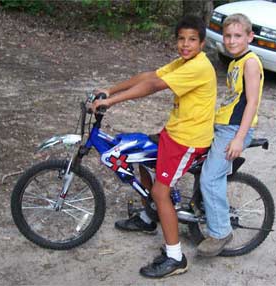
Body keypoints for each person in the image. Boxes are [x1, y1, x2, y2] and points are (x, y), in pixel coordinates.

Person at [91, 15, 217, 278]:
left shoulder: (199, 67)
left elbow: (152, 85)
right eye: (181, 38)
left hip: (189, 141)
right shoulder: (184, 62)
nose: (185, 44)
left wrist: (111, 102)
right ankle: (149, 218)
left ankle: (175, 258)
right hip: (174, 133)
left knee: (161, 192)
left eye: (192, 39)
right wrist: (109, 89)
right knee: (138, 156)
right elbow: (150, 74)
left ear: (202, 43)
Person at [197, 13, 264, 257]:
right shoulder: (236, 61)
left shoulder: (250, 62)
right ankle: (203, 206)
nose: (232, 40)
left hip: (235, 130)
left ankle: (220, 232)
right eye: (228, 36)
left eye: (238, 35)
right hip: (222, 125)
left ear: (250, 36)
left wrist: (239, 138)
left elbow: (252, 101)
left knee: (210, 178)